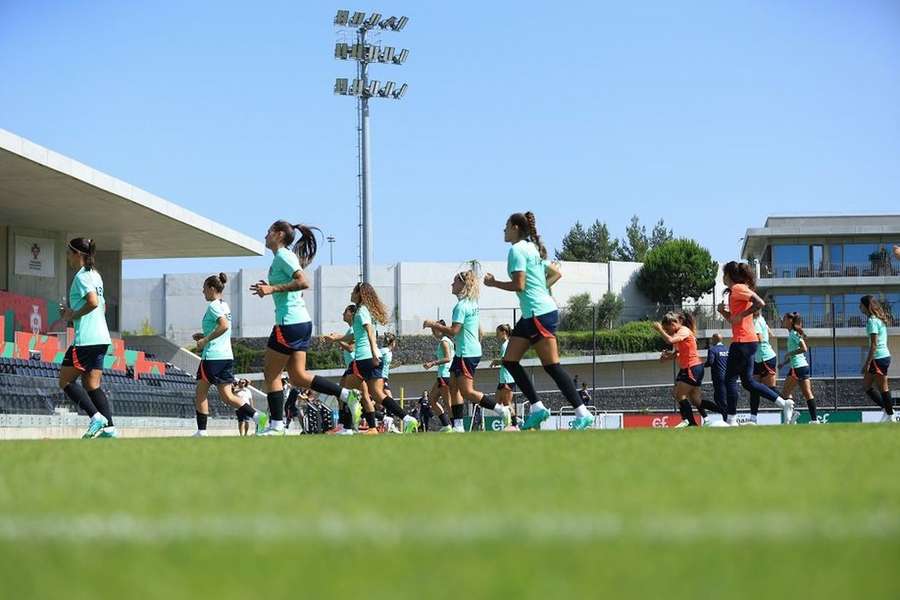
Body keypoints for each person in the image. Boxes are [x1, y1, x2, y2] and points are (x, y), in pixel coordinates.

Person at [483, 212, 592, 430]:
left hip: (538, 314)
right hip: (534, 313)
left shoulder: (516, 250)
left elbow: (520, 285)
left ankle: (583, 413)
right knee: (510, 361)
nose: (503, 231)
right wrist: (541, 287)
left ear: (515, 227)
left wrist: (494, 284)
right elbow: (555, 274)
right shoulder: (532, 248)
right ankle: (537, 408)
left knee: (552, 366)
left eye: (506, 226)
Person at [250, 220, 357, 436]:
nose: (265, 234)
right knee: (298, 376)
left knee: (271, 373)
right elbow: (291, 286)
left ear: (279, 234)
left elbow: (303, 282)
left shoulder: (284, 256)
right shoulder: (282, 258)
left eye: (269, 231)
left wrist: (271, 288)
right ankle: (346, 395)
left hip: (289, 323)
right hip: (299, 323)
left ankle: (277, 426)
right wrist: (270, 287)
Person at [424, 268, 512, 431]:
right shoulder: (471, 303)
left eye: (455, 282)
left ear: (462, 285)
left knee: (467, 392)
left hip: (466, 353)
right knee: (453, 387)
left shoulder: (461, 306)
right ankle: (457, 426)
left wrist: (432, 324)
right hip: (463, 352)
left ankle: (501, 410)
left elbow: (453, 331)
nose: (452, 284)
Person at [717, 261, 793, 426]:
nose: (722, 277)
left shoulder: (738, 288)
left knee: (729, 379)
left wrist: (743, 314)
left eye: (724, 274)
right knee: (748, 382)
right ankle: (783, 403)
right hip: (747, 341)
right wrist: (724, 313)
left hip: (743, 342)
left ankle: (731, 420)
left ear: (729, 275)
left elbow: (760, 303)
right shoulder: (734, 292)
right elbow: (734, 320)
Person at [192, 273, 266, 437]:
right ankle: (258, 416)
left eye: (204, 289)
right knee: (227, 396)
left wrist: (205, 341)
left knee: (200, 393)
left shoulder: (213, 306)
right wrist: (204, 335)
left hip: (212, 356)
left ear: (212, 289)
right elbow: (221, 327)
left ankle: (202, 432)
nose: (203, 292)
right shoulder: (224, 305)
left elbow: (224, 326)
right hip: (225, 356)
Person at [340, 282, 419, 434]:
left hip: (364, 358)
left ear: (359, 294)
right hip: (370, 358)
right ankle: (407, 419)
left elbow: (369, 331)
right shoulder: (365, 311)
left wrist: (374, 349)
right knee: (376, 394)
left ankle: (348, 427)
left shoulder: (362, 310)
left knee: (347, 390)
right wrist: (337, 339)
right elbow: (353, 335)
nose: (351, 294)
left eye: (353, 291)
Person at [58, 237, 116, 439]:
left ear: (77, 254)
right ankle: (109, 428)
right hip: (102, 336)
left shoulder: (82, 277)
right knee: (92, 385)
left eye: (68, 252)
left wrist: (72, 314)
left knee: (65, 380)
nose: (67, 256)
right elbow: (102, 305)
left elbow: (92, 302)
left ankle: (96, 418)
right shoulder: (95, 275)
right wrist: (71, 313)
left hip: (87, 339)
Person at [654, 312, 724, 428]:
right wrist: (666, 357)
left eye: (667, 329)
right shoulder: (678, 333)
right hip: (689, 368)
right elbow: (677, 353)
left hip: (692, 367)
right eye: (665, 330)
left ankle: (690, 422)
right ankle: (724, 411)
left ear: (673, 324)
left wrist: (659, 329)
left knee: (679, 394)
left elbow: (670, 340)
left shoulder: (683, 330)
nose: (666, 332)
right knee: (696, 400)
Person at [860, 295, 895, 423]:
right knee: (866, 386)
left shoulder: (872, 321)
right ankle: (887, 410)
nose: (859, 307)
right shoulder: (877, 320)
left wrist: (867, 364)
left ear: (866, 306)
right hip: (882, 357)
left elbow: (874, 345)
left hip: (878, 358)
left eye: (861, 305)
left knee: (883, 387)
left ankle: (890, 415)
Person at [778, 312, 816, 424]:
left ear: (790, 321)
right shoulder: (793, 334)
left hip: (797, 368)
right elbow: (796, 354)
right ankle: (814, 420)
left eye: (784, 319)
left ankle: (791, 416)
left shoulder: (793, 334)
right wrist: (784, 363)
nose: (782, 321)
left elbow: (804, 349)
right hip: (802, 366)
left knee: (784, 394)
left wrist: (789, 354)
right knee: (807, 394)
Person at [747, 307, 781, 425]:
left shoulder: (756, 321)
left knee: (771, 389)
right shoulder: (761, 319)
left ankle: (788, 404)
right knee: (754, 389)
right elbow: (771, 333)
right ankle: (753, 419)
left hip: (766, 358)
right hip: (758, 360)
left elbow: (759, 339)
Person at [422, 321, 454, 432]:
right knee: (431, 399)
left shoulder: (444, 342)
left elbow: (448, 358)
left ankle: (456, 426)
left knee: (448, 403)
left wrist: (432, 363)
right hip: (442, 375)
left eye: (434, 329)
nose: (433, 332)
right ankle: (447, 425)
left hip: (445, 375)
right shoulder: (445, 341)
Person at [490, 324, 520, 430]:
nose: (496, 335)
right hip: (504, 378)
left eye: (498, 333)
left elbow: (506, 361)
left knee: (507, 403)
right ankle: (509, 421)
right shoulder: (506, 344)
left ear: (504, 333)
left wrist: (495, 361)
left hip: (508, 378)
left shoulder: (506, 345)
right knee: (497, 402)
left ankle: (515, 425)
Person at [705, 333, 729, 418]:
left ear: (715, 339)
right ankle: (726, 415)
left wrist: (702, 365)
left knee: (719, 398)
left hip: (719, 377)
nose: (711, 340)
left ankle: (726, 417)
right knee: (725, 397)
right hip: (729, 377)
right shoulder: (727, 349)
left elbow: (710, 362)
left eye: (712, 339)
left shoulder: (713, 349)